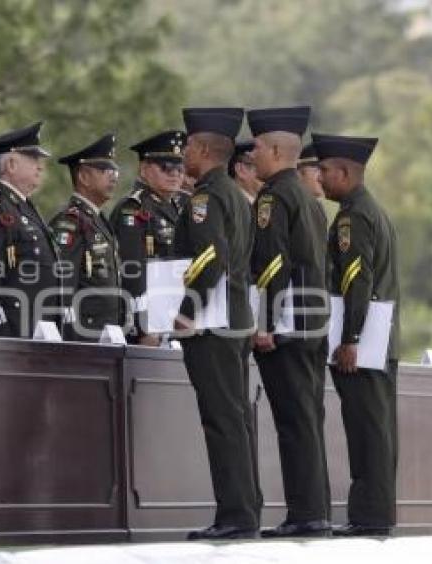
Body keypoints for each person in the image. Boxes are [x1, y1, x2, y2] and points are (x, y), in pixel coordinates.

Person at [175, 107, 261, 540]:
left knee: (222, 419)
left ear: (205, 149)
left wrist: (186, 308)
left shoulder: (207, 196)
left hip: (213, 322)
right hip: (237, 319)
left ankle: (236, 516)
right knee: (236, 417)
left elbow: (211, 258)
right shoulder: (233, 193)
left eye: (188, 145)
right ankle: (245, 509)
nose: (183, 152)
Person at [247, 107, 331, 538]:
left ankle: (306, 515)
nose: (253, 154)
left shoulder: (274, 196)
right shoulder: (308, 199)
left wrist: (264, 323)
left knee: (295, 422)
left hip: (287, 326)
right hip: (313, 321)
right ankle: (315, 510)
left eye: (258, 146)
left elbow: (271, 265)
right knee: (307, 420)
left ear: (278, 150)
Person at [314, 133, 399, 537]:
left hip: (364, 339)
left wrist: (350, 338)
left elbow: (356, 279)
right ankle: (374, 514)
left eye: (326, 170)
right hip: (379, 336)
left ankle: (369, 517)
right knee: (375, 429)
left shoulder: (353, 216)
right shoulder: (371, 210)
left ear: (346, 172)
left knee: (368, 430)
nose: (320, 176)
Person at [0, 122, 63, 337]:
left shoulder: (24, 207)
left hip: (39, 330)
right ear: (11, 165)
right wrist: (2, 332)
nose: (40, 166)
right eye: (33, 159)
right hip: (14, 332)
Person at [110, 129, 187, 345]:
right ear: (144, 169)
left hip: (175, 317)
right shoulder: (133, 209)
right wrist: (142, 326)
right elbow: (132, 271)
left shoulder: (180, 207)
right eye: (166, 167)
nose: (175, 174)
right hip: (150, 323)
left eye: (180, 167)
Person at [50, 134, 127, 342]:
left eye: (114, 171)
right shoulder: (71, 222)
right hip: (84, 335)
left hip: (106, 333)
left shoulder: (99, 220)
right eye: (105, 171)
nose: (113, 177)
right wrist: (70, 337)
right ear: (83, 177)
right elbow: (64, 285)